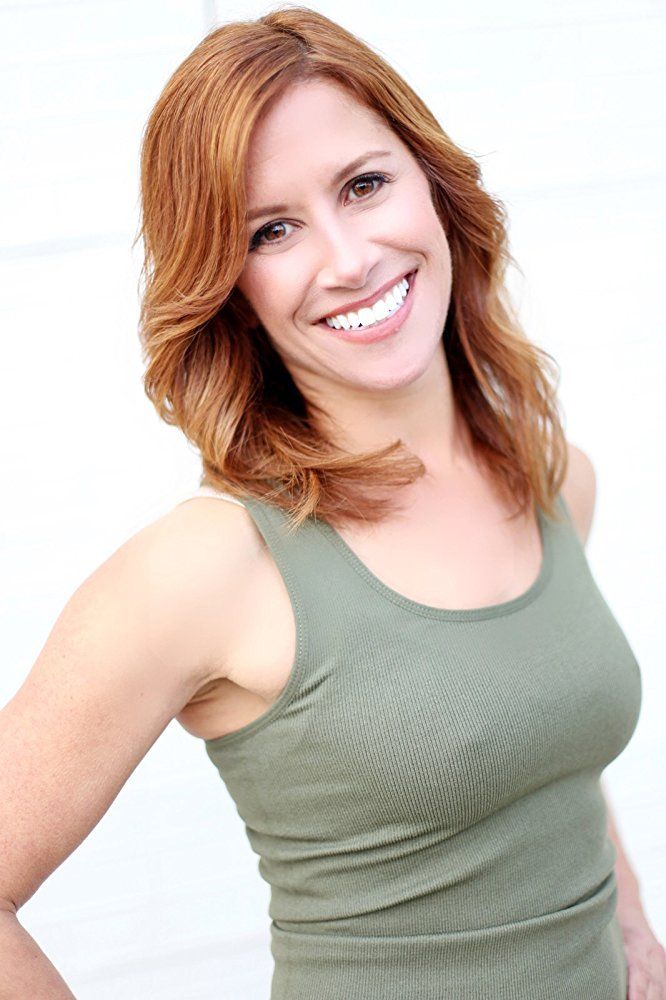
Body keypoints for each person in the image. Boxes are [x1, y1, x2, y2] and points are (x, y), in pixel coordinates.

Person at [0, 7, 663, 999]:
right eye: (272, 230)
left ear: (433, 184)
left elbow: (541, 742)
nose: (349, 259)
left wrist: (633, 928)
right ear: (231, 287)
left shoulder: (552, 477)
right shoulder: (209, 568)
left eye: (364, 184)